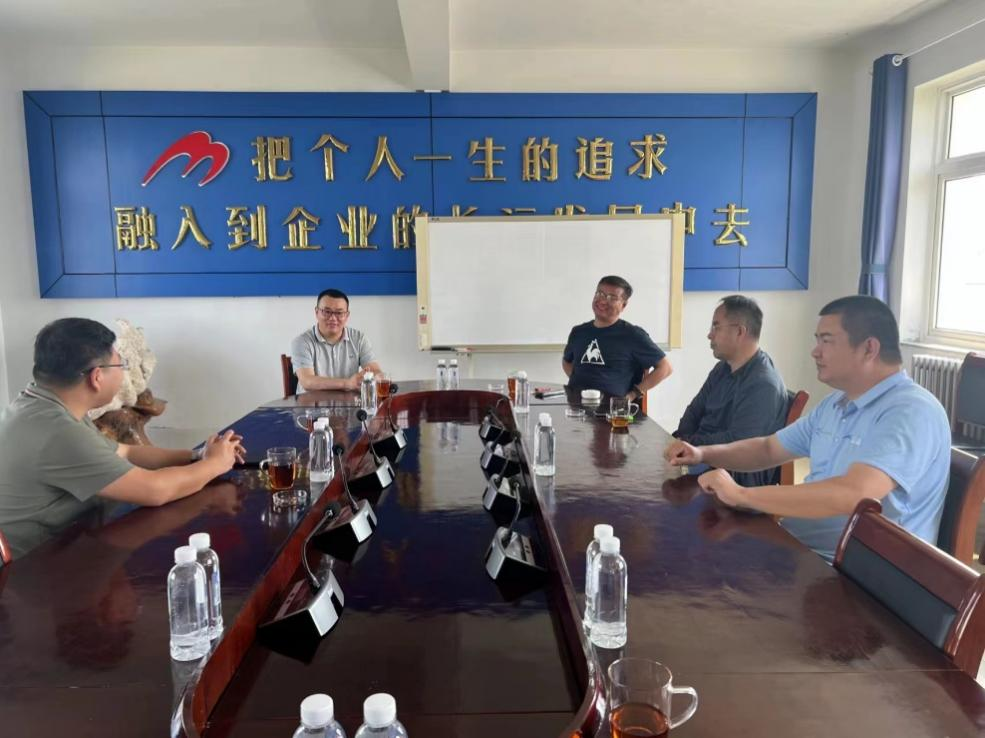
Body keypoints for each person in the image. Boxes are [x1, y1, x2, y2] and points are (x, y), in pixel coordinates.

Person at [664, 295, 950, 562]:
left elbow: (855, 494)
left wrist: (742, 495)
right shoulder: (836, 404)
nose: (815, 351)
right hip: (802, 549)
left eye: (826, 341)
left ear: (869, 348)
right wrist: (702, 453)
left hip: (860, 573)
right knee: (688, 549)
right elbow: (768, 449)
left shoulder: (910, 411)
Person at [0, 318, 245, 558]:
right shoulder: (58, 431)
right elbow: (154, 490)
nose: (123, 372)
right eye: (121, 364)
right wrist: (214, 465)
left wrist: (197, 455)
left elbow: (126, 451)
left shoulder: (42, 406)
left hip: (67, 548)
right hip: (33, 571)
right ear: (97, 377)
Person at [673, 295, 788, 487]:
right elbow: (694, 411)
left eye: (716, 327)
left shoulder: (763, 384)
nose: (709, 335)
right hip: (702, 457)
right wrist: (682, 440)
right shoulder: (723, 368)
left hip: (733, 474)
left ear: (740, 332)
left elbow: (739, 443)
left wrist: (689, 443)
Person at [562, 275, 672, 402]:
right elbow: (566, 361)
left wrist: (633, 394)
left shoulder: (633, 335)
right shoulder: (578, 332)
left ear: (623, 305)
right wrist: (581, 385)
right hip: (576, 407)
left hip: (611, 410)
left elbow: (665, 368)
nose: (603, 301)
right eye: (600, 294)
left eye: (612, 297)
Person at [290, 288, 383, 393]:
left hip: (348, 402)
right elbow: (307, 382)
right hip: (311, 402)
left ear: (347, 316)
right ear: (317, 312)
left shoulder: (359, 339)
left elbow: (376, 372)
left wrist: (373, 377)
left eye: (339, 313)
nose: (333, 318)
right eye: (327, 312)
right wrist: (348, 383)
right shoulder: (302, 342)